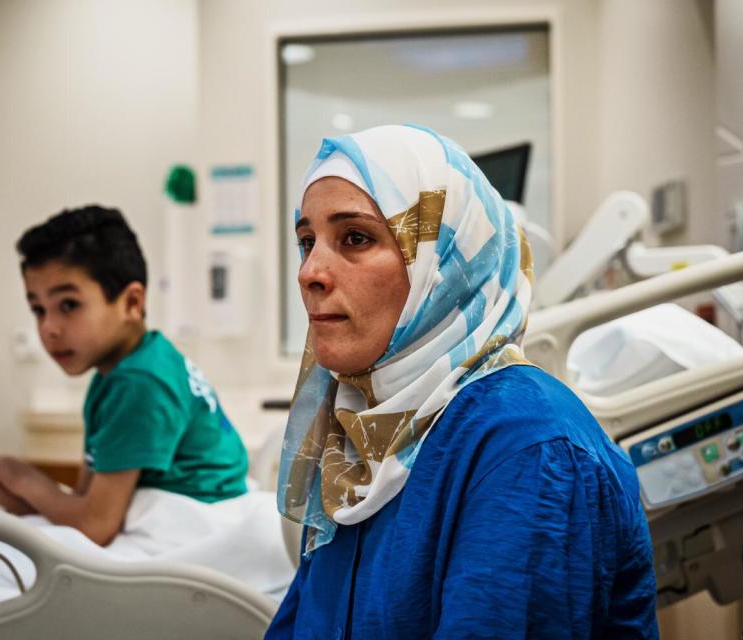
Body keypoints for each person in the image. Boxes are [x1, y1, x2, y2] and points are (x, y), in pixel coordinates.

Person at [266, 125, 658, 638]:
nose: (310, 271)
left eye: (356, 238)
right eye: (307, 241)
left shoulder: (527, 449)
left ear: (443, 266)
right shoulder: (361, 430)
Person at [0, 205, 248, 546]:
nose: (49, 328)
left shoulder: (138, 382)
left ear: (132, 303)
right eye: (38, 309)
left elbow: (94, 526)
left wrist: (22, 476)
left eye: (68, 305)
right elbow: (76, 506)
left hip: (196, 531)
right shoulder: (124, 369)